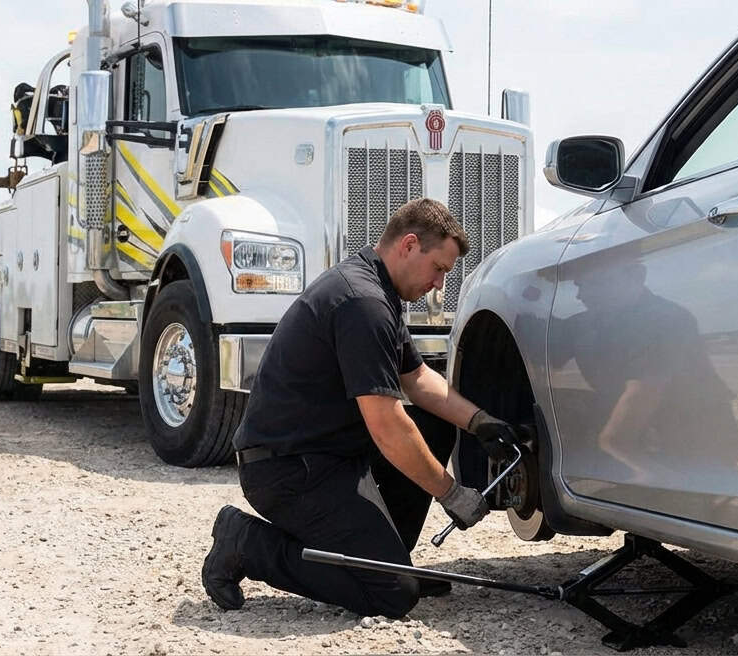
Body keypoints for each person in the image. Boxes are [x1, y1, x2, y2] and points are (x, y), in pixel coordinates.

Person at [201, 198, 523, 618]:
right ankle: (246, 543)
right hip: (288, 472)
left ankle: (384, 560)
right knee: (392, 595)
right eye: (439, 269)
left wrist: (480, 422)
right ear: (409, 245)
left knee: (434, 424)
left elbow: (419, 380)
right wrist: (450, 492)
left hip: (329, 459)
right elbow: (388, 426)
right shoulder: (362, 304)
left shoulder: (376, 292)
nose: (439, 284)